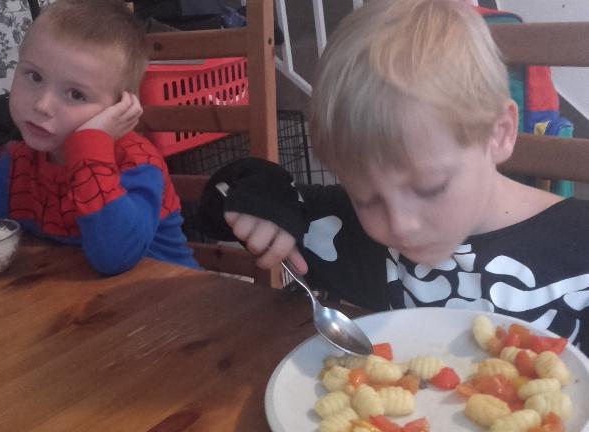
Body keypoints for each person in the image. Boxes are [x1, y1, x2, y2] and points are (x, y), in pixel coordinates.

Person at [199, 0, 588, 353]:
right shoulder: (349, 234)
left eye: (428, 188)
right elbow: (217, 204)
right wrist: (263, 202)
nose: (400, 226)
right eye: (365, 197)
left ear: (499, 134)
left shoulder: (578, 248)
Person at [0, 0, 197, 275]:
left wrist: (90, 144)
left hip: (169, 301)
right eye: (34, 76)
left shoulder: (137, 164)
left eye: (75, 94)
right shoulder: (19, 166)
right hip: (84, 308)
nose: (42, 105)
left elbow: (115, 257)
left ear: (120, 109)